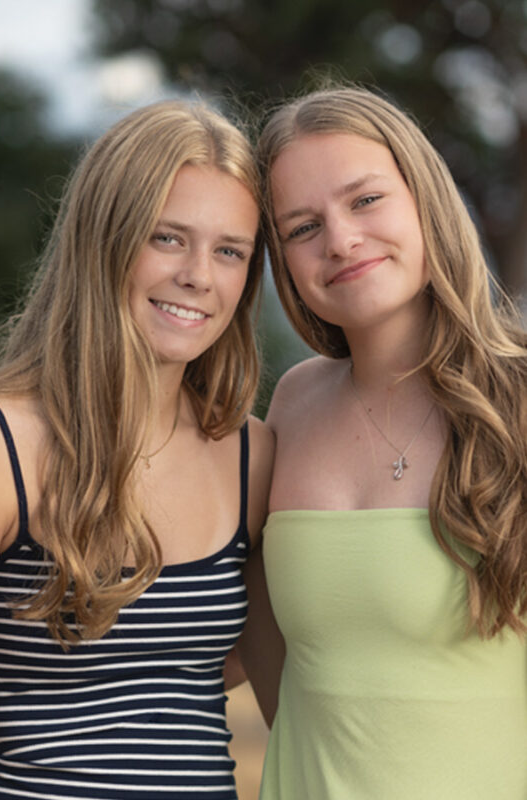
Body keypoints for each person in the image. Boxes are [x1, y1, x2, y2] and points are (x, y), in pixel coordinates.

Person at [0, 100, 276, 800]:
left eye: (229, 251)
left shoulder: (252, 456)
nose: (198, 277)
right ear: (104, 239)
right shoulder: (1, 438)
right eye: (168, 238)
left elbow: (237, 662)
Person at [255, 86, 527, 799]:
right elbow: (262, 641)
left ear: (424, 200)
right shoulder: (291, 403)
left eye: (364, 200)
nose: (340, 239)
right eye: (301, 226)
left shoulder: (520, 396)